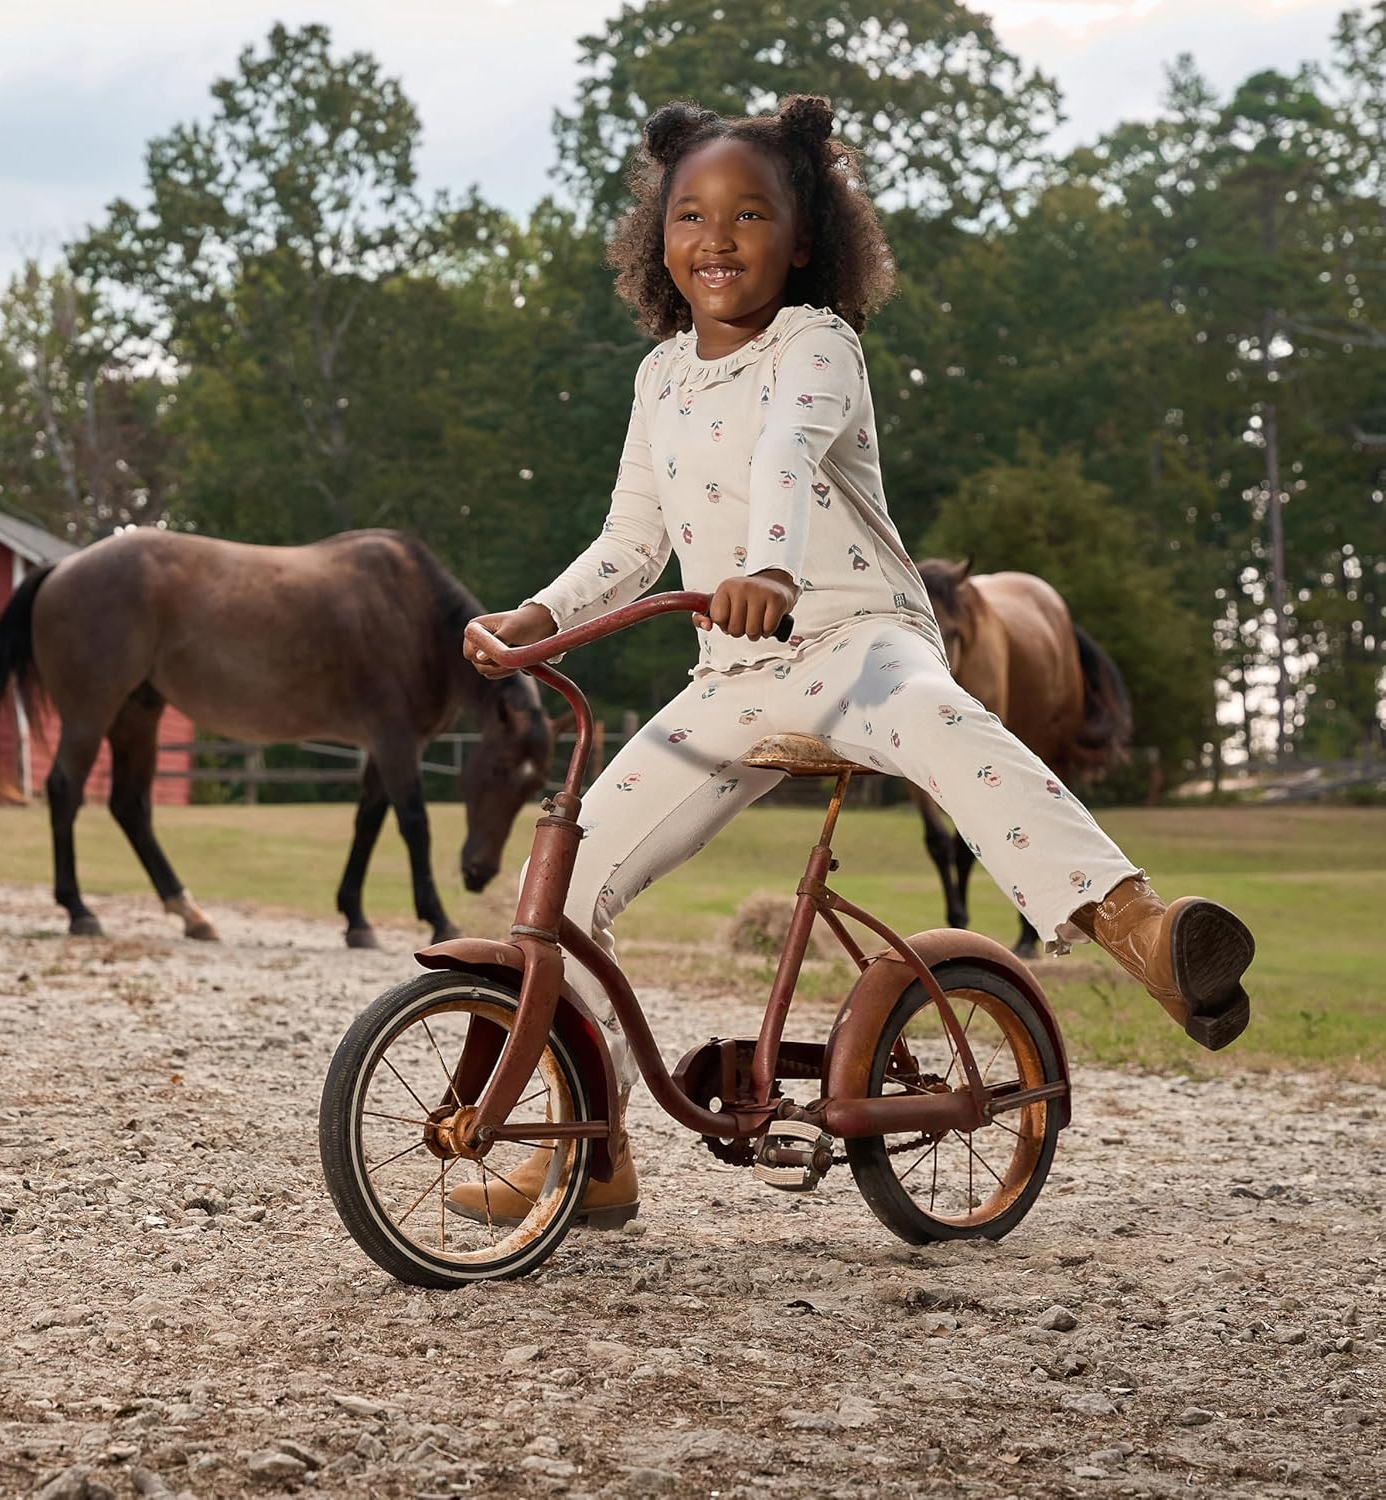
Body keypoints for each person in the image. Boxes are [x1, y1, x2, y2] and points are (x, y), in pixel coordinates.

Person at [453, 94, 1255, 1227]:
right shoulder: (661, 378)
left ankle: (1142, 930)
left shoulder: (819, 343)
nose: (716, 238)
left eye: (749, 214)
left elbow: (787, 453)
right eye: (690, 214)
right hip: (730, 677)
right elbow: (633, 540)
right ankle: (588, 1149)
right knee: (571, 881)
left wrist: (773, 572)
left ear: (807, 236)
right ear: (656, 238)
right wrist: (536, 618)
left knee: (944, 721)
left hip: (853, 640)